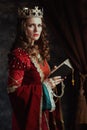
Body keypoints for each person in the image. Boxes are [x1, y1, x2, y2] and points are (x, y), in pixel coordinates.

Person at [7, 5, 65, 130]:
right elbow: (13, 91)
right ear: (23, 28)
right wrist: (44, 87)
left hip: (45, 114)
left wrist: (52, 78)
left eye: (39, 25)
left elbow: (42, 80)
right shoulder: (18, 55)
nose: (36, 29)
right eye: (31, 25)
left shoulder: (38, 51)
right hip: (31, 118)